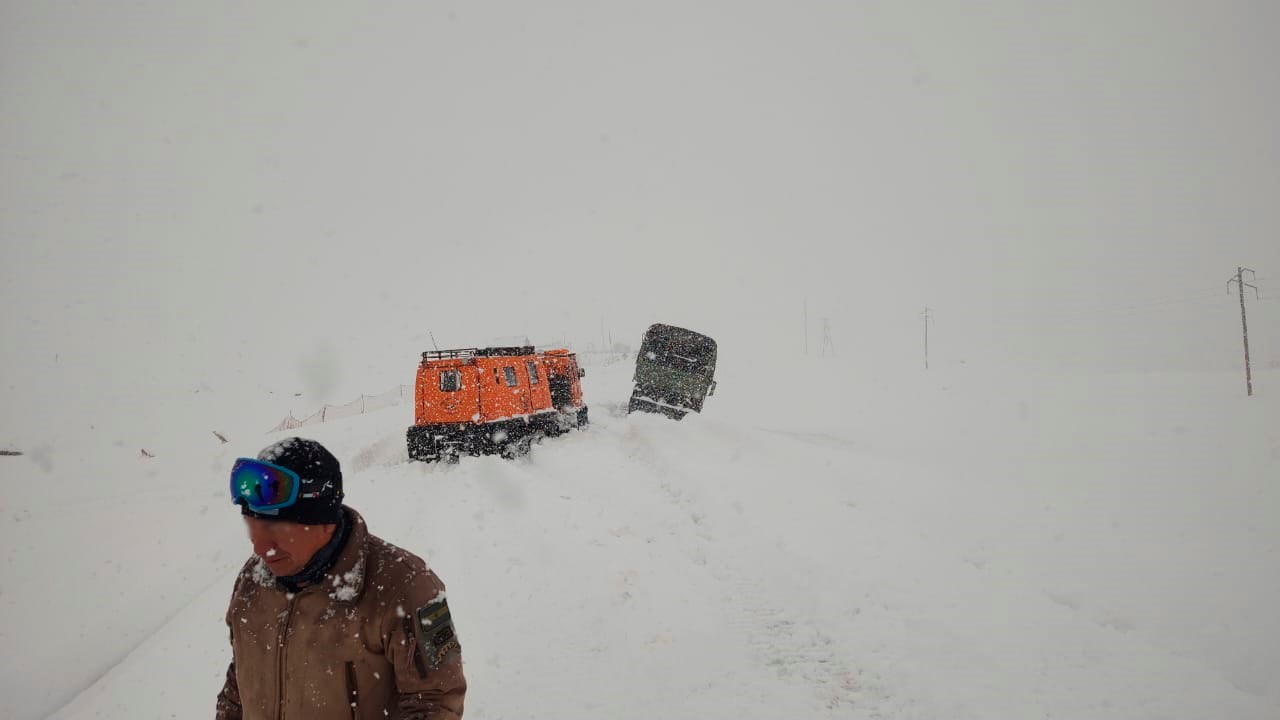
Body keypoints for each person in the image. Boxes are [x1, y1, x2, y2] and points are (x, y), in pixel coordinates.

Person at [216, 437, 465, 719]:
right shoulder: (253, 579)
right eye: (253, 528)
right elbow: (238, 682)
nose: (260, 548)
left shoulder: (408, 586)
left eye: (276, 530)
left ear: (324, 522)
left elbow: (436, 702)